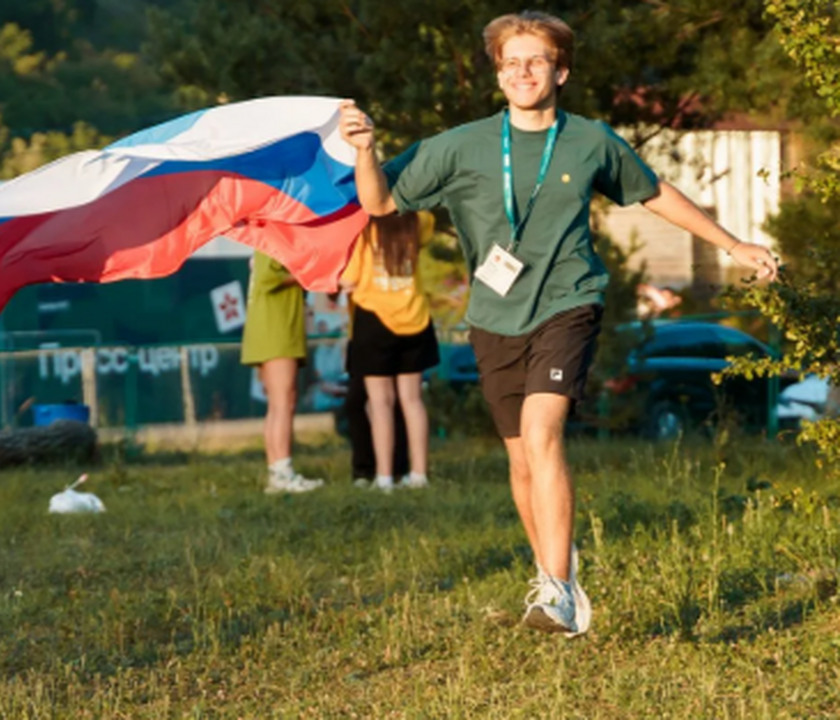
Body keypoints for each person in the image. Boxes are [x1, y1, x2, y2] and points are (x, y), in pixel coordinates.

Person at [339, 11, 778, 636]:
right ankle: (554, 567)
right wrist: (365, 149)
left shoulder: (591, 141)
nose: (523, 71)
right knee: (520, 457)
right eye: (511, 61)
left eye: (536, 60)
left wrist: (733, 244)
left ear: (560, 70)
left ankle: (558, 590)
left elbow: (654, 192)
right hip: (495, 315)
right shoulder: (460, 145)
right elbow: (379, 200)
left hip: (569, 302)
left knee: (543, 432)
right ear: (499, 73)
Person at [340, 212, 439, 492]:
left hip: (373, 321)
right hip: (416, 319)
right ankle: (419, 474)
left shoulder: (363, 228)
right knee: (412, 400)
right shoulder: (417, 223)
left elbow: (349, 280)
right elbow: (430, 222)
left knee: (380, 403)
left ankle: (384, 478)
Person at [241, 251, 325, 493]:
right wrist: (308, 275)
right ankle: (282, 471)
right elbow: (269, 277)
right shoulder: (272, 241)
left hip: (272, 329)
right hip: (276, 331)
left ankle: (277, 470)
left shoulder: (269, 241)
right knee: (283, 404)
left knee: (279, 404)